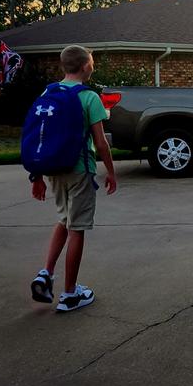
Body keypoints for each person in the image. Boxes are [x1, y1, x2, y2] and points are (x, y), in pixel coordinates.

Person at [29, 45, 117, 312]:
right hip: (80, 169)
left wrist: (37, 175)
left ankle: (46, 273)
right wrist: (111, 172)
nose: (92, 66)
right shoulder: (89, 97)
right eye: (91, 62)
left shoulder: (49, 92)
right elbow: (101, 143)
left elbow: (38, 135)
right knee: (77, 228)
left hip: (53, 168)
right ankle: (69, 294)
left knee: (63, 220)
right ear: (85, 67)